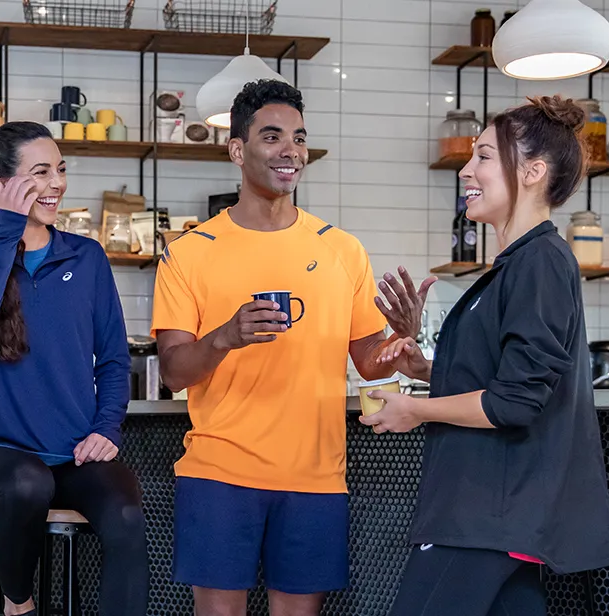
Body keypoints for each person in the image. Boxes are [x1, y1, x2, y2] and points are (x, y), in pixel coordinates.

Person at [151, 80, 431, 616]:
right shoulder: (188, 253)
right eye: (272, 136)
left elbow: (370, 361)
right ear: (237, 149)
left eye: (299, 138)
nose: (291, 151)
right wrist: (226, 337)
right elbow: (174, 372)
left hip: (315, 475)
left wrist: (402, 341)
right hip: (218, 473)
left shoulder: (342, 250)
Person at [363, 96, 609, 616]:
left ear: (532, 171)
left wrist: (417, 408)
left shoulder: (540, 262)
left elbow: (516, 402)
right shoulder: (516, 264)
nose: (465, 170)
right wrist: (429, 372)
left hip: (486, 517)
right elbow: (507, 378)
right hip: (497, 516)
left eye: (482, 156)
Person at [0, 122, 149, 616]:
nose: (57, 183)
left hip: (73, 451)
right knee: (27, 482)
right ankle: (20, 605)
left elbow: (115, 358)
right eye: (41, 172)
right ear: (1, 183)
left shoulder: (87, 257)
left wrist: (107, 429)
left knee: (125, 514)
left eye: (60, 170)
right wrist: (7, 231)